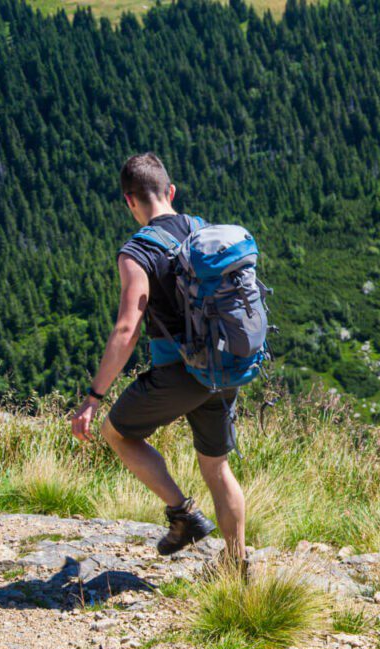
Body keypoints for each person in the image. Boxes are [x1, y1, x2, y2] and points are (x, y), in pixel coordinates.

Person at [70, 153, 245, 562]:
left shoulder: (137, 253)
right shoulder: (205, 232)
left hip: (181, 373)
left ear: (129, 201)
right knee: (217, 468)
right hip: (224, 368)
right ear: (170, 192)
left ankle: (183, 514)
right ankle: (238, 568)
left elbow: (126, 330)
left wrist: (93, 398)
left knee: (118, 434)